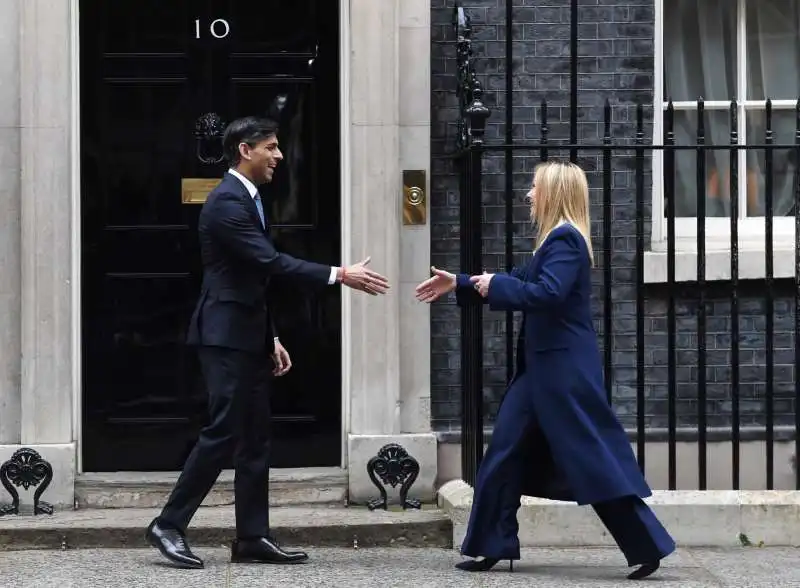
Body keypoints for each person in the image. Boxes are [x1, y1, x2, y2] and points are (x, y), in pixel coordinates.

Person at [146, 116, 390, 569]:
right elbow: (269, 261)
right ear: (245, 149)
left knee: (255, 438)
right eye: (271, 148)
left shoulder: (248, 199)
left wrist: (270, 335)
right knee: (222, 432)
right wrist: (340, 274)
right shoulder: (225, 203)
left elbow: (251, 276)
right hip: (223, 337)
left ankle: (252, 537)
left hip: (247, 334)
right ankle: (168, 523)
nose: (279, 156)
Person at [415, 161, 675, 581]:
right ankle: (489, 545)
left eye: (535, 188)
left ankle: (647, 546)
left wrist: (492, 286)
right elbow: (522, 278)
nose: (529, 195)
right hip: (542, 371)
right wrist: (464, 282)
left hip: (563, 372)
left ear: (554, 193)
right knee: (503, 454)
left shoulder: (566, 240)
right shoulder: (553, 241)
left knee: (592, 459)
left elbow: (547, 293)